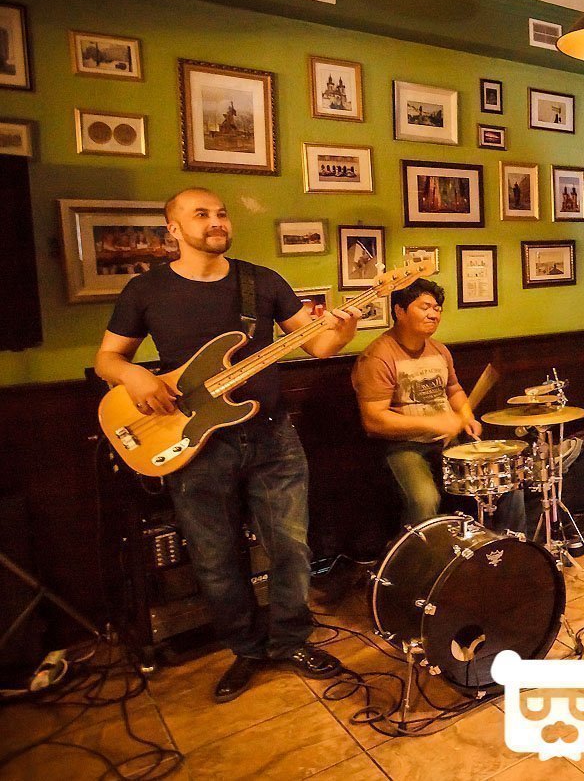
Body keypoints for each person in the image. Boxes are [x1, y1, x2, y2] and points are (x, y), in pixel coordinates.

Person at [93, 188, 359, 703]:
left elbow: (318, 343)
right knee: (214, 558)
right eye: (201, 214)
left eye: (221, 213)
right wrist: (134, 376)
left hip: (272, 436)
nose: (216, 221)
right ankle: (247, 649)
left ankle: (290, 640)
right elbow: (108, 358)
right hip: (192, 442)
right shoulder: (146, 289)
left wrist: (342, 332)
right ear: (173, 229)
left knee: (291, 548)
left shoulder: (261, 281)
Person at [351, 279, 525, 533]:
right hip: (404, 446)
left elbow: (454, 389)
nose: (433, 314)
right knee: (424, 499)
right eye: (425, 307)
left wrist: (466, 416)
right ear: (400, 311)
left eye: (437, 309)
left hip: (447, 442)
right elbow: (374, 420)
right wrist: (433, 423)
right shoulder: (378, 357)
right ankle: (418, 556)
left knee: (504, 483)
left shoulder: (439, 350)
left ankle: (509, 548)